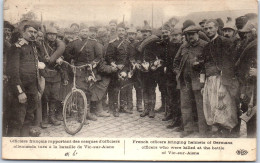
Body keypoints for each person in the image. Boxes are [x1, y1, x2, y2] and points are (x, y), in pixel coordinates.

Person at [200, 19, 239, 137]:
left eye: (211, 28)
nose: (208, 30)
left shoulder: (225, 42)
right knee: (212, 107)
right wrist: (203, 84)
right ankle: (217, 132)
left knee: (223, 107)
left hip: (221, 81)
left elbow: (228, 65)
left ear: (217, 28)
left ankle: (226, 133)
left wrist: (223, 85)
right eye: (206, 29)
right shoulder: (207, 46)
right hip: (209, 81)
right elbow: (203, 65)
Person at [64, 26, 110, 122]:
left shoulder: (93, 43)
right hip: (79, 70)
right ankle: (81, 116)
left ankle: (87, 113)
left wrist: (93, 64)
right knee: (81, 91)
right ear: (79, 32)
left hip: (90, 70)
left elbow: (99, 56)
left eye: (86, 31)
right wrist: (73, 61)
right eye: (82, 31)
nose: (85, 32)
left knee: (89, 91)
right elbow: (66, 54)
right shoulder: (73, 43)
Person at [6, 21, 45, 136]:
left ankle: (24, 141)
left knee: (28, 118)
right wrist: (20, 92)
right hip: (20, 89)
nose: (32, 34)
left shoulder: (33, 47)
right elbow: (12, 72)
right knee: (17, 120)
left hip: (32, 88)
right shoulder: (16, 47)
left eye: (34, 32)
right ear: (23, 32)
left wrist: (37, 89)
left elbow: (35, 69)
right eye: (30, 32)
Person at [173, 25, 208, 138]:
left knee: (200, 105)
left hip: (199, 80)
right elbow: (176, 61)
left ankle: (203, 130)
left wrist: (200, 64)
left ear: (197, 34)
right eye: (188, 35)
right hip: (185, 81)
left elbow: (209, 61)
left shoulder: (204, 45)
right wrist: (177, 72)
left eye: (192, 34)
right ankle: (188, 128)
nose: (190, 36)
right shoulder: (184, 46)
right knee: (185, 105)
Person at [40, 27, 66, 126]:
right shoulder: (41, 44)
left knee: (54, 97)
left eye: (54, 34)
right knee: (45, 97)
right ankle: (45, 118)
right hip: (45, 74)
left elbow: (64, 55)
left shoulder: (59, 45)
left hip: (56, 74)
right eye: (50, 34)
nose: (52, 36)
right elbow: (40, 57)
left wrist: (61, 58)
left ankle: (52, 117)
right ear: (46, 35)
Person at [235, 21, 257, 138]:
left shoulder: (255, 44)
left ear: (254, 32)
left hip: (255, 86)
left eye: (248, 33)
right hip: (248, 84)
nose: (246, 36)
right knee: (249, 113)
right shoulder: (249, 44)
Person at [106, 22, 132, 117]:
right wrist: (116, 65)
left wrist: (128, 68)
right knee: (116, 89)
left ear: (125, 32)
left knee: (124, 88)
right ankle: (115, 108)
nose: (121, 32)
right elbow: (109, 57)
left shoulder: (127, 44)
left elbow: (129, 57)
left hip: (125, 69)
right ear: (117, 32)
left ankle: (123, 107)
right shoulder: (112, 44)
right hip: (116, 69)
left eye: (123, 30)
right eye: (119, 30)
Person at [157, 24, 181, 126]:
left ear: (181, 36)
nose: (174, 37)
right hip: (170, 75)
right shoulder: (169, 46)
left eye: (177, 35)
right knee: (171, 96)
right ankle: (171, 114)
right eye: (173, 35)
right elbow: (166, 59)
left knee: (178, 97)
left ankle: (178, 119)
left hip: (179, 75)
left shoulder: (182, 46)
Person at [137, 21, 161, 118]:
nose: (145, 33)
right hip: (142, 70)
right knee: (144, 89)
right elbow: (137, 56)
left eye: (147, 32)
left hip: (152, 70)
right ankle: (146, 109)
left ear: (150, 33)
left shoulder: (155, 43)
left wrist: (154, 65)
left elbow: (158, 56)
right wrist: (138, 64)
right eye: (143, 32)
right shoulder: (139, 44)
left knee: (151, 89)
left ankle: (151, 110)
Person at [127, 27, 143, 112]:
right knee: (129, 87)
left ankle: (139, 104)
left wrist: (137, 63)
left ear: (135, 35)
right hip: (128, 68)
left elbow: (141, 56)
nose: (131, 36)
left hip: (137, 69)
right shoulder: (125, 44)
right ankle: (129, 104)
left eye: (132, 34)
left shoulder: (139, 44)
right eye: (129, 34)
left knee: (138, 86)